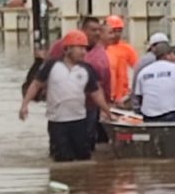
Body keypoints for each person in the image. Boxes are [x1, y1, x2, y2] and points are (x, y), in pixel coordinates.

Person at [20, 30, 113, 162]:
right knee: (61, 160)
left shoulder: (86, 69)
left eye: (85, 48)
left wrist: (107, 110)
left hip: (80, 121)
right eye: (80, 48)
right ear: (68, 49)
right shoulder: (51, 66)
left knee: (83, 159)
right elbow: (36, 84)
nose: (84, 52)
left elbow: (96, 92)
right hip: (57, 122)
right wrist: (25, 105)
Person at [47, 17, 111, 144]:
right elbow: (44, 76)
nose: (97, 33)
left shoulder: (100, 52)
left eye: (99, 30)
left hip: (90, 106)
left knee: (86, 142)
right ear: (83, 30)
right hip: (61, 107)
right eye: (93, 30)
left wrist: (107, 105)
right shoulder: (61, 46)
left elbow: (103, 82)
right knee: (60, 146)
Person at [133, 43, 175, 122]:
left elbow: (139, 97)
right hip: (171, 116)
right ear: (167, 55)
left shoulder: (143, 72)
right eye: (173, 54)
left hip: (149, 117)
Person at [104, 15, 137, 102]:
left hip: (122, 96)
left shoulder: (127, 49)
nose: (117, 34)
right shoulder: (102, 49)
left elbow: (137, 68)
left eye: (119, 31)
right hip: (106, 95)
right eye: (114, 31)